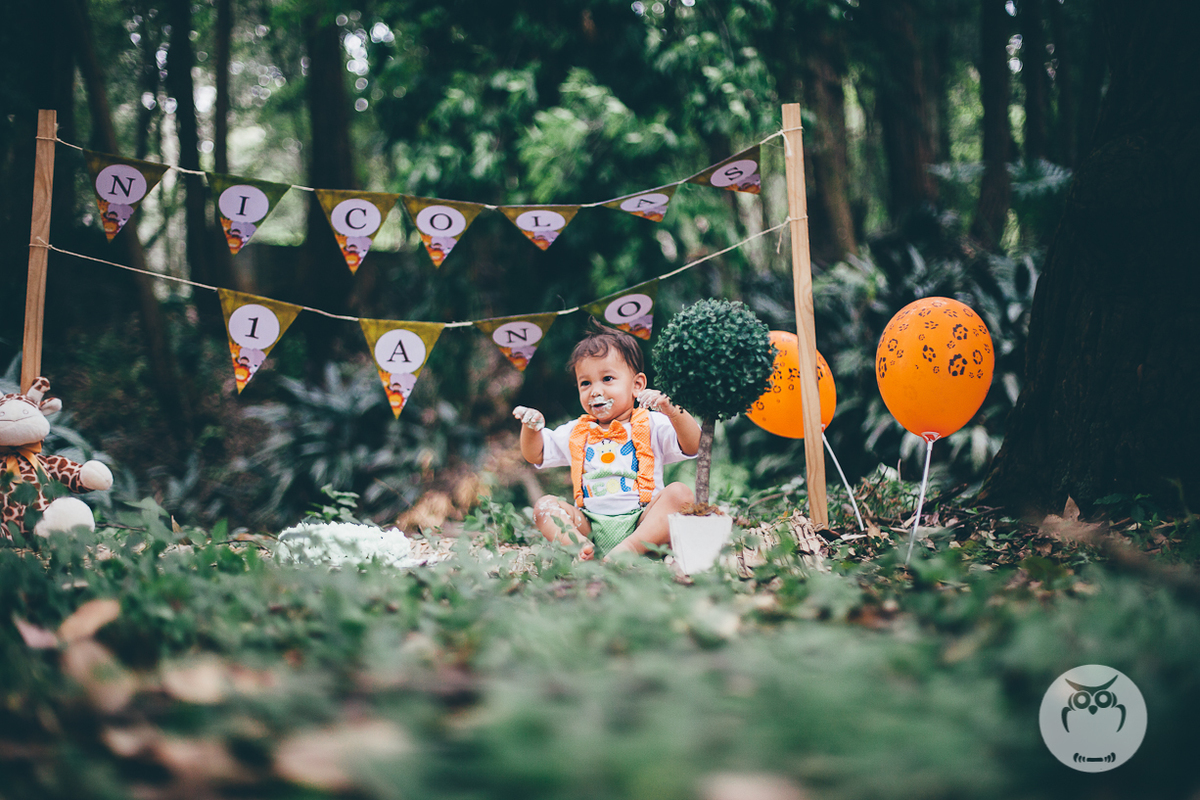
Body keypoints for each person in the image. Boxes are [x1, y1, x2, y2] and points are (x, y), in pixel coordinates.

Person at [513, 321, 700, 560]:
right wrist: (531, 428)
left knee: (681, 494)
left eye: (608, 378)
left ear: (637, 385)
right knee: (544, 507)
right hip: (589, 523)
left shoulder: (653, 422)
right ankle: (580, 546)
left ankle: (631, 548)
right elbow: (535, 454)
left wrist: (672, 411)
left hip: (643, 521)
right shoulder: (576, 431)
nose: (595, 391)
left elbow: (693, 445)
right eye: (586, 383)